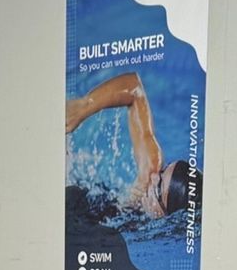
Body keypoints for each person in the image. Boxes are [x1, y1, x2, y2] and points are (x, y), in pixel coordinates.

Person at [64, 71, 198, 219]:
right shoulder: (151, 171)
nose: (154, 177)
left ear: (165, 214)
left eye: (159, 188)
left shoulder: (155, 235)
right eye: (163, 171)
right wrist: (84, 106)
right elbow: (134, 87)